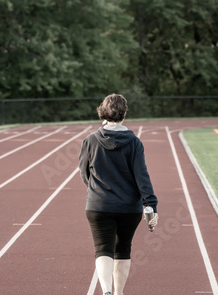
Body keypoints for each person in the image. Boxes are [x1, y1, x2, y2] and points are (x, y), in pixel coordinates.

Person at [79, 93, 159, 295]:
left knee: (103, 249)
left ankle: (106, 291)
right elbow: (142, 177)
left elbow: (84, 174)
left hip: (98, 206)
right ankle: (118, 293)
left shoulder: (90, 141)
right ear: (124, 114)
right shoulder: (134, 143)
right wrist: (151, 206)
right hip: (128, 207)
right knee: (123, 249)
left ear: (103, 112)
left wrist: (98, 190)